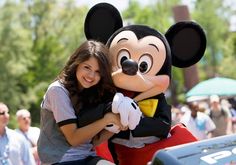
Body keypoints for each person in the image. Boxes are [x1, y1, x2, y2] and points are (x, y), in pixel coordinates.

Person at [38, 40, 126, 165]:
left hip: (87, 157)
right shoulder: (57, 90)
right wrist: (107, 119)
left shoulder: (92, 93)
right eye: (87, 67)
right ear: (76, 64)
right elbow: (74, 138)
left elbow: (92, 142)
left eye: (98, 72)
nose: (91, 75)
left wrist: (117, 125)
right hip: (59, 160)